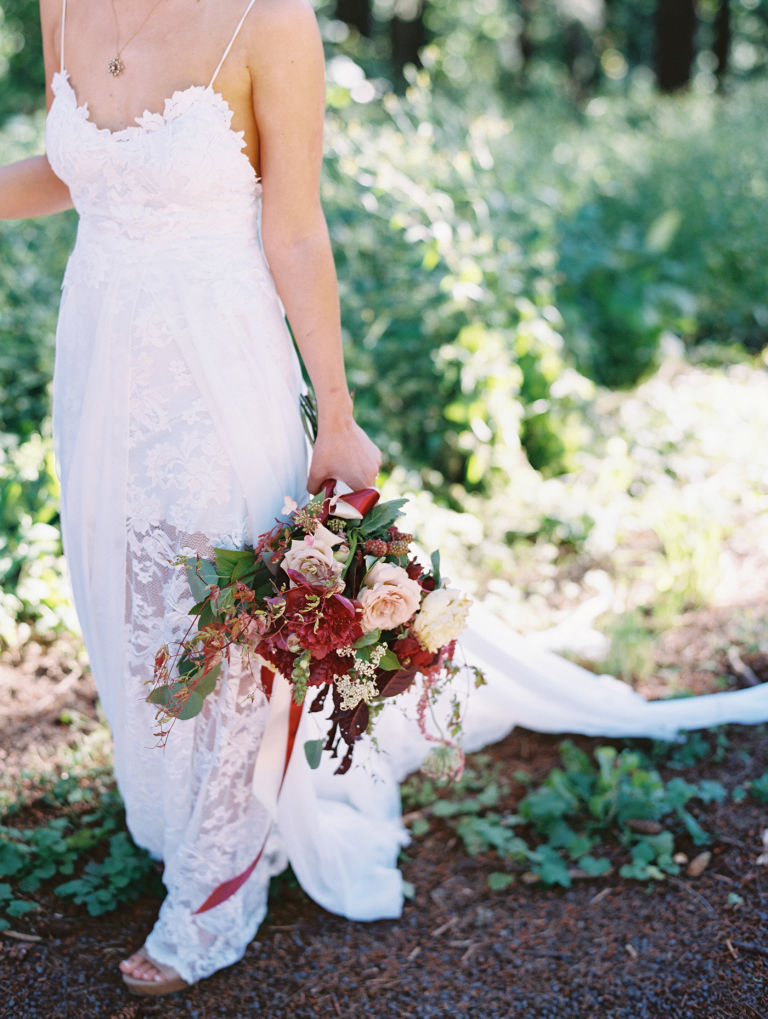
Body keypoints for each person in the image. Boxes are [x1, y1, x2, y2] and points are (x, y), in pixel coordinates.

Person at [3, 0, 768, 997]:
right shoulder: (64, 2)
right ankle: (178, 804)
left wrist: (337, 415)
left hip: (216, 363)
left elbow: (294, 229)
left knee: (230, 620)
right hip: (99, 360)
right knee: (128, 593)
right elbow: (72, 169)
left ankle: (216, 885)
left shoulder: (267, 19)